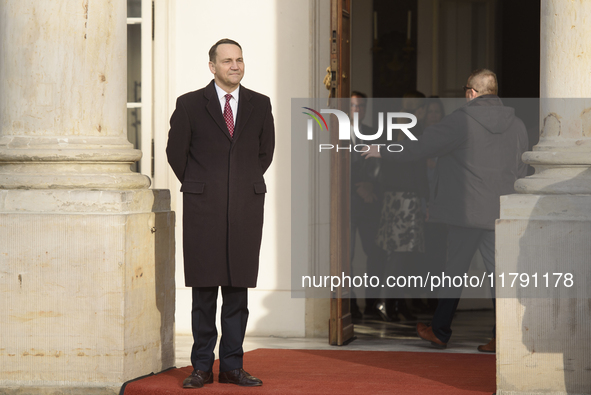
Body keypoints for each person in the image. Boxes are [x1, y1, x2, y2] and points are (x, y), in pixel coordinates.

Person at [362, 69, 528, 351]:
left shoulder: (461, 121)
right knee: (499, 276)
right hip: (500, 211)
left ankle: (440, 331)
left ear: (471, 93)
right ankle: (504, 336)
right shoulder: (518, 125)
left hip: (466, 212)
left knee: (453, 273)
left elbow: (420, 147)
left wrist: (382, 150)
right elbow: (522, 165)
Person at [166, 38, 274, 388]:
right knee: (204, 293)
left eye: (239, 59)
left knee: (237, 291)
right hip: (203, 209)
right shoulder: (189, 105)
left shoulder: (260, 104)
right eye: (227, 60)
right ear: (212, 66)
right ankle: (201, 367)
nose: (235, 66)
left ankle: (231, 367)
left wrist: (238, 184)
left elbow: (264, 153)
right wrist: (202, 184)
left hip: (245, 208)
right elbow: (175, 153)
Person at [348, 91, 386, 320]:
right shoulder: (336, 133)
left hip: (371, 203)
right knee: (347, 256)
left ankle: (372, 305)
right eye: (353, 106)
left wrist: (371, 187)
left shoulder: (374, 132)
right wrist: (356, 187)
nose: (357, 110)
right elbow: (334, 166)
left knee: (376, 253)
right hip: (348, 204)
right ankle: (350, 305)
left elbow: (383, 165)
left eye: (361, 106)